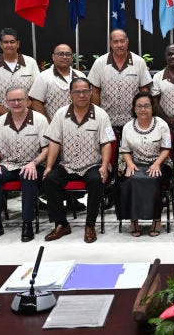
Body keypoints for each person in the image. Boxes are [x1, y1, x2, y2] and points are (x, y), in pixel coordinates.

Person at [42, 77, 115, 243]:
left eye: (85, 91)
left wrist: (104, 166)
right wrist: (49, 166)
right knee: (50, 180)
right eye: (77, 92)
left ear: (90, 93)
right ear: (70, 94)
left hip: (92, 164)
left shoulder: (101, 115)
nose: (81, 95)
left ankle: (90, 225)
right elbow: (54, 142)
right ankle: (61, 224)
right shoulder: (60, 114)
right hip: (67, 165)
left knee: (97, 181)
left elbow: (106, 144)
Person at [0, 86, 49, 242]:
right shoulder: (0, 122)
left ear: (27, 101)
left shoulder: (39, 119)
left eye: (20, 99)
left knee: (28, 175)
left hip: (33, 164)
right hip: (9, 164)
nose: (16, 103)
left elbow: (47, 149)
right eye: (12, 100)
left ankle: (27, 223)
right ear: (6, 102)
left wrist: (33, 163)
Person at [118, 91, 171, 237]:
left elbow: (166, 148)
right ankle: (133, 220)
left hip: (161, 161)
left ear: (152, 107)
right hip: (136, 163)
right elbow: (125, 150)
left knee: (154, 179)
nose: (143, 109)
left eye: (146, 106)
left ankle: (156, 219)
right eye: (139, 106)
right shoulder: (128, 127)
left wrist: (156, 164)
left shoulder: (162, 124)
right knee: (130, 179)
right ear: (134, 109)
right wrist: (129, 163)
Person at [88, 29, 153, 131]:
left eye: (122, 41)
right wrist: (98, 117)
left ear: (127, 42)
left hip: (133, 121)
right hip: (107, 121)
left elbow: (144, 91)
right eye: (115, 41)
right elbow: (95, 92)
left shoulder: (139, 62)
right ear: (110, 43)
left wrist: (142, 115)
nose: (119, 45)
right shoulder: (100, 63)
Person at [0, 28, 40, 127]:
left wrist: (22, 111)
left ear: (18, 44)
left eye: (12, 42)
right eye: (5, 42)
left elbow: (37, 92)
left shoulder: (31, 63)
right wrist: (7, 115)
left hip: (27, 119)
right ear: (1, 44)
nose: (9, 45)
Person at [29, 43, 85, 120]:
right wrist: (48, 123)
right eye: (61, 54)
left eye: (68, 54)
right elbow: (36, 103)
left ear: (72, 58)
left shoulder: (80, 75)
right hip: (52, 125)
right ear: (53, 57)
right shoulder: (43, 76)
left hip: (78, 124)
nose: (65, 57)